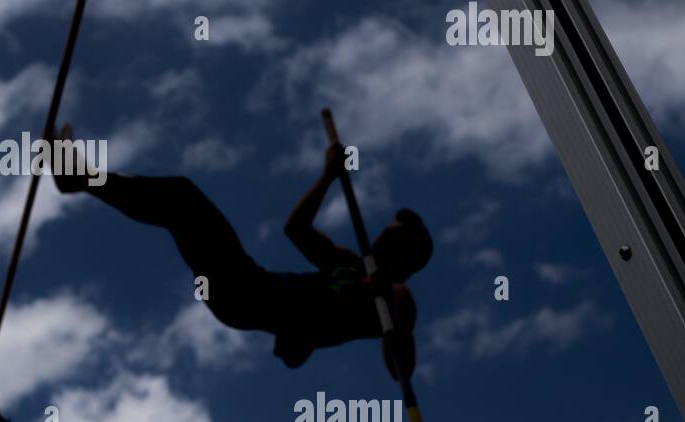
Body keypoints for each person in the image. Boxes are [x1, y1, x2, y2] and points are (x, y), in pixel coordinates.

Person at [51, 126, 431, 377]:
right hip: (247, 283)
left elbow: (400, 365)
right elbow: (295, 229)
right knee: (180, 204)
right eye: (388, 228)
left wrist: (379, 294)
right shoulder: (347, 262)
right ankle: (80, 178)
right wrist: (327, 176)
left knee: (183, 201)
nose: (383, 232)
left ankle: (79, 178)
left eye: (394, 235)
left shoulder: (400, 295)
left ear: (408, 255)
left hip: (250, 299)